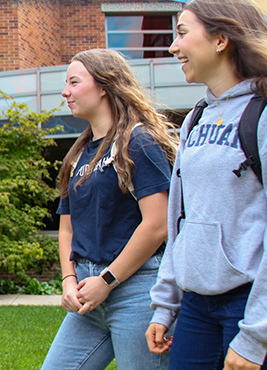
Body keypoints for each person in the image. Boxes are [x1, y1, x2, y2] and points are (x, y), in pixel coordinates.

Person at [146, 0, 267, 370]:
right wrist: (166, 303)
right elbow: (182, 221)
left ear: (221, 39)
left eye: (182, 33)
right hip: (197, 304)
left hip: (255, 301)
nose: (172, 46)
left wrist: (256, 334)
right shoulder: (196, 118)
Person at [39, 49, 175, 370]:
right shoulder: (78, 154)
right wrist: (69, 281)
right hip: (87, 295)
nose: (65, 92)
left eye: (74, 82)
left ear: (103, 85)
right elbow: (67, 228)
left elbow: (157, 224)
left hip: (136, 293)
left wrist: (107, 280)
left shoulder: (138, 142)